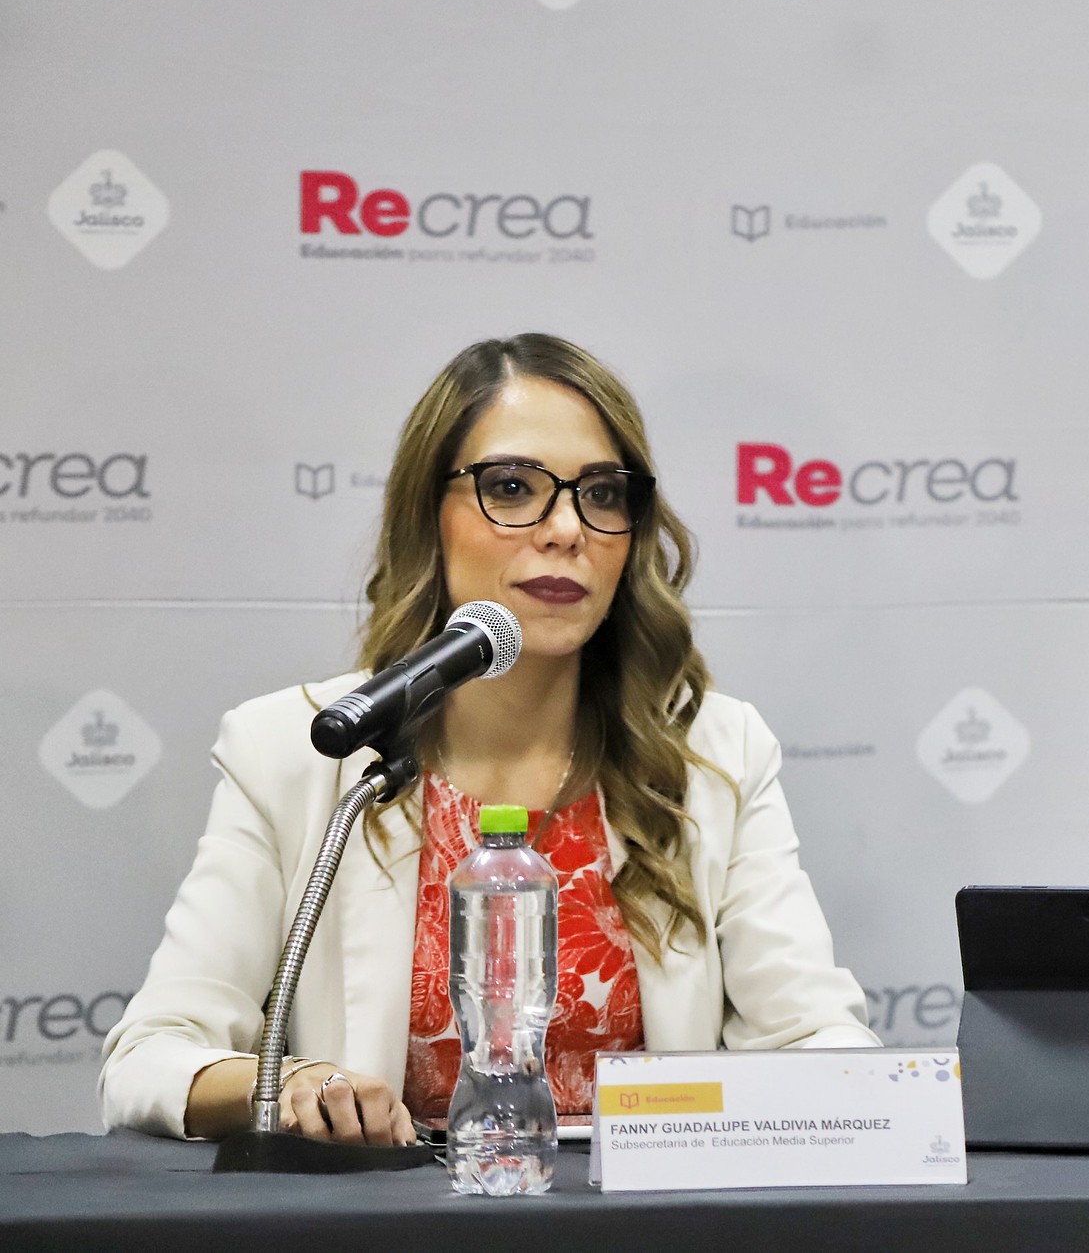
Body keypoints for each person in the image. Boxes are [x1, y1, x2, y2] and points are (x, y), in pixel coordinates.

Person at [101, 334, 878, 1145]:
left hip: (642, 1208)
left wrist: (869, 1094)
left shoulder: (713, 751)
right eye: (511, 487)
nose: (566, 529)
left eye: (602, 494)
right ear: (427, 517)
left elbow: (812, 1034)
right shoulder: (300, 752)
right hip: (391, 1211)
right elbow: (150, 1056)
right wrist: (296, 1083)